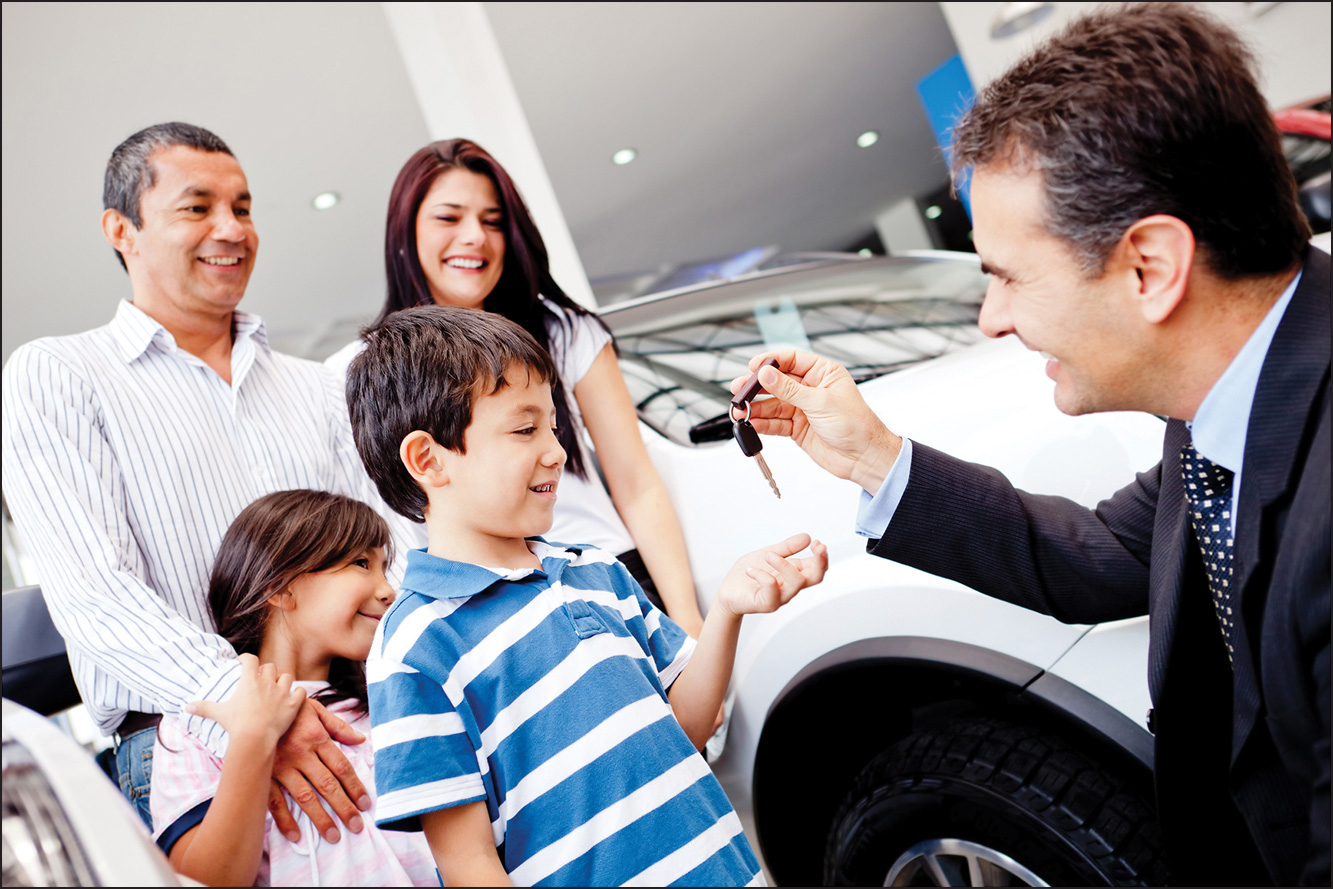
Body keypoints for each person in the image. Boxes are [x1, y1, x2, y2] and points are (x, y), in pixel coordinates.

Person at [734, 5, 1329, 886]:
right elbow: (1104, 552)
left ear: (1149, 268)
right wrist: (872, 457)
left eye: (1009, 276)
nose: (991, 318)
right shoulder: (1232, 397)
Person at [0, 122, 416, 841]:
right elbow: (95, 590)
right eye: (197, 207)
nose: (232, 229)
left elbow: (391, 554)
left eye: (244, 207)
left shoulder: (317, 389)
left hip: (356, 723)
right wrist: (249, 713)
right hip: (179, 745)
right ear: (121, 229)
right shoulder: (60, 376)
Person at [343, 304, 827, 885]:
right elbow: (469, 864)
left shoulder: (597, 572)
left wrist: (725, 609)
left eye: (553, 425)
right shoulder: (415, 646)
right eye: (525, 429)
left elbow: (685, 730)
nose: (556, 450)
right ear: (429, 459)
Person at [324, 138, 707, 638]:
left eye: (492, 221)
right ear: (404, 233)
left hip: (607, 576)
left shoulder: (565, 333)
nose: (474, 238)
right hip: (481, 611)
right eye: (449, 218)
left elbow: (637, 484)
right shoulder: (361, 371)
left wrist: (688, 621)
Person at [149, 490, 437, 886]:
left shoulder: (395, 696)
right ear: (281, 587)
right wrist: (255, 739)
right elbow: (203, 879)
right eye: (361, 563)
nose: (388, 589)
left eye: (384, 568)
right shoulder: (193, 728)